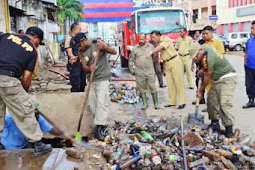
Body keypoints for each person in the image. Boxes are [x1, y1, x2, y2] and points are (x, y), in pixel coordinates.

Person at [0, 27, 52, 155]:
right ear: (35, 38)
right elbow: (27, 77)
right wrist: (24, 95)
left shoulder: (6, 36)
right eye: (38, 43)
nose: (37, 46)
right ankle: (38, 144)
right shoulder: (32, 51)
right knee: (25, 110)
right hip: (9, 79)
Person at [75, 33, 117, 141]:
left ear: (84, 40)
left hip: (103, 78)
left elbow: (114, 52)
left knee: (102, 102)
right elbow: (84, 67)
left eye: (80, 45)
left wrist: (105, 47)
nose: (79, 48)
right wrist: (90, 68)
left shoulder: (97, 44)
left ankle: (99, 128)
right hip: (91, 80)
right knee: (93, 105)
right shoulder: (81, 52)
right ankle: (99, 123)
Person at [190, 43, 237, 138]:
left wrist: (200, 91)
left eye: (196, 56)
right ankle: (215, 124)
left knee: (224, 103)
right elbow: (207, 66)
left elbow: (207, 78)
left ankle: (229, 129)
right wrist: (202, 70)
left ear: (200, 51)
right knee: (211, 101)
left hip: (227, 78)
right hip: (217, 79)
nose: (195, 59)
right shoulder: (206, 49)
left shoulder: (209, 58)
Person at [148, 30, 186, 109]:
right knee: (170, 83)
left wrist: (151, 52)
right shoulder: (159, 43)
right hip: (167, 63)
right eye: (151, 37)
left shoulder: (165, 39)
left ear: (158, 36)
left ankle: (182, 102)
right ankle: (172, 102)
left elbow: (160, 47)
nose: (152, 39)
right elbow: (164, 56)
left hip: (175, 61)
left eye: (153, 37)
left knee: (178, 82)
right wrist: (164, 69)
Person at [196, 26, 225, 112]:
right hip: (206, 71)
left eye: (206, 33)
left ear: (212, 33)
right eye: (203, 34)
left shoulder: (218, 43)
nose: (204, 35)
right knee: (209, 89)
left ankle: (218, 107)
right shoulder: (203, 45)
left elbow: (221, 56)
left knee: (217, 90)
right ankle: (210, 106)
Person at [129, 34, 159, 110]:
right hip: (139, 71)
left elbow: (155, 57)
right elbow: (131, 60)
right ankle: (145, 104)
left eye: (142, 39)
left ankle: (156, 103)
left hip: (149, 70)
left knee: (152, 86)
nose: (141, 41)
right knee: (141, 88)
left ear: (145, 39)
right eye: (139, 39)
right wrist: (132, 70)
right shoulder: (135, 48)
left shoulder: (151, 47)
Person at [65, 23, 86, 92]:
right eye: (79, 29)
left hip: (81, 62)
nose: (80, 31)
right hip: (74, 64)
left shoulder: (80, 38)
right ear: (74, 29)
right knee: (75, 82)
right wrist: (74, 58)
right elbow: (69, 52)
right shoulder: (69, 39)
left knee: (83, 81)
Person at [243, 21, 255, 109]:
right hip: (249, 67)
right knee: (249, 85)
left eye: (253, 28)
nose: (252, 30)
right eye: (251, 28)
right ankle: (251, 101)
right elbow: (246, 52)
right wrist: (245, 63)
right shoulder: (249, 41)